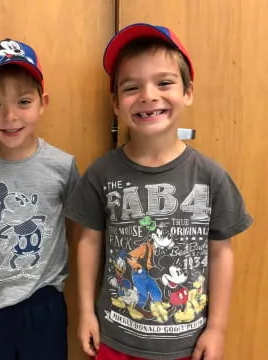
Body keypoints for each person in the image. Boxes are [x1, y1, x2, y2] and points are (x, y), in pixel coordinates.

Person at [65, 23, 253, 360]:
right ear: (115, 103)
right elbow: (89, 242)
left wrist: (217, 328)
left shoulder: (211, 176)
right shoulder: (101, 173)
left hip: (187, 345)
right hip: (115, 340)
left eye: (164, 82)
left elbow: (222, 253)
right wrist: (86, 312)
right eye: (131, 87)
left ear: (188, 91)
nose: (148, 95)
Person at [0, 38, 79, 360]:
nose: (10, 116)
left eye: (23, 102)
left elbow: (75, 229)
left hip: (45, 302)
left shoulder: (62, 166)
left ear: (43, 103)